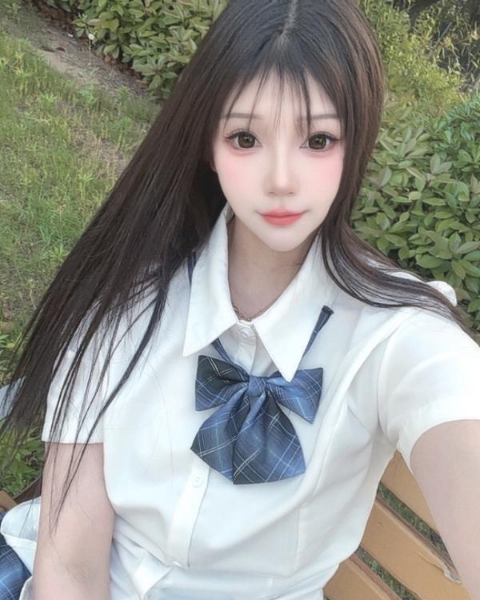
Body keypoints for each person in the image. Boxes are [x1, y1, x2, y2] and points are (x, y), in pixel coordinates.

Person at [1, 0, 480, 598]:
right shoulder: (129, 291)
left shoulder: (394, 337)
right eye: (245, 137)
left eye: (318, 139)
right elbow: (70, 564)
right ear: (208, 144)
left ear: (355, 143)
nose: (281, 179)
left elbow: (451, 398)